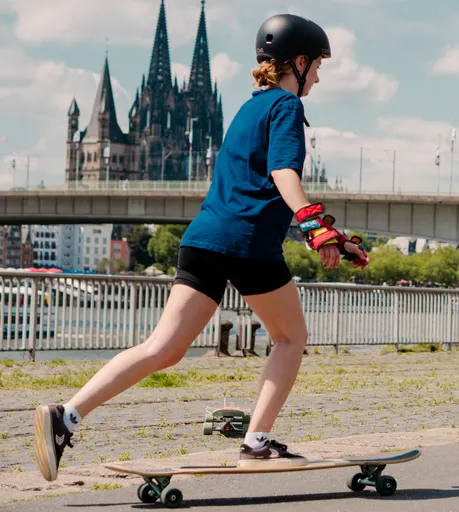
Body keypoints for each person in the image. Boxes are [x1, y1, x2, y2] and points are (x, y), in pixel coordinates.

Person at [32, 14, 369, 482]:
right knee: (291, 339)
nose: (319, 75)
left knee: (162, 348)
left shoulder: (248, 109)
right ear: (297, 60)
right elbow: (282, 176)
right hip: (247, 243)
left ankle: (64, 416)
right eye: (316, 66)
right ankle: (257, 441)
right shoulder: (287, 108)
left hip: (204, 239)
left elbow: (249, 190)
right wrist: (313, 225)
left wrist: (331, 235)